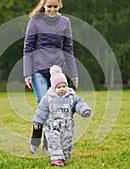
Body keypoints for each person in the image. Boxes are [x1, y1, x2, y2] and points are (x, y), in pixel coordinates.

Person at [23, 0, 79, 154]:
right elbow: (27, 48)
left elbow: (68, 49)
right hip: (38, 70)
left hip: (57, 72)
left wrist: (74, 75)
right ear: (44, 6)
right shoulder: (35, 21)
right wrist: (27, 73)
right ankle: (35, 140)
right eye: (49, 6)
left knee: (55, 107)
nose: (52, 9)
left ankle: (49, 143)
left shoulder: (65, 22)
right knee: (44, 103)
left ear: (59, 5)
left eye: (55, 6)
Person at [33, 65, 91, 166]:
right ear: (53, 87)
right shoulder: (48, 98)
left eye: (64, 86)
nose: (62, 89)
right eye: (59, 87)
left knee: (66, 144)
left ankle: (64, 157)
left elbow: (78, 103)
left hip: (67, 126)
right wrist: (38, 122)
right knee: (54, 141)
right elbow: (41, 110)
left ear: (67, 86)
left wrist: (84, 110)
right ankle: (56, 159)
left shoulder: (71, 97)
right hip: (53, 126)